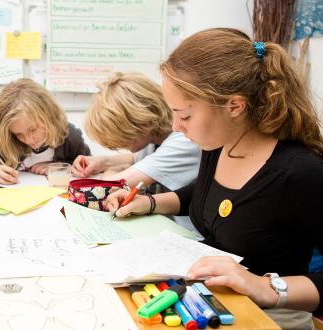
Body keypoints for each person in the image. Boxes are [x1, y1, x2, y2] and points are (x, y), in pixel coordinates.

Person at [105, 28, 322, 326]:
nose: (176, 126)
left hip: (266, 316)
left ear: (234, 106)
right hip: (207, 303)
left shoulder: (300, 172)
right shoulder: (219, 145)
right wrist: (150, 203)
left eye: (185, 115)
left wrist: (265, 288)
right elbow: (205, 195)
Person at [71, 72, 200, 192]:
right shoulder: (154, 136)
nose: (117, 144)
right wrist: (102, 161)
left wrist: (112, 171)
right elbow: (135, 158)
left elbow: (111, 186)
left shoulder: (184, 141)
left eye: (122, 138)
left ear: (143, 122)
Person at [0, 78, 91, 185]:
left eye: (33, 129)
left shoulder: (69, 136)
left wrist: (59, 168)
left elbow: (86, 165)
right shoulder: (0, 138)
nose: (29, 140)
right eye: (18, 134)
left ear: (49, 116)